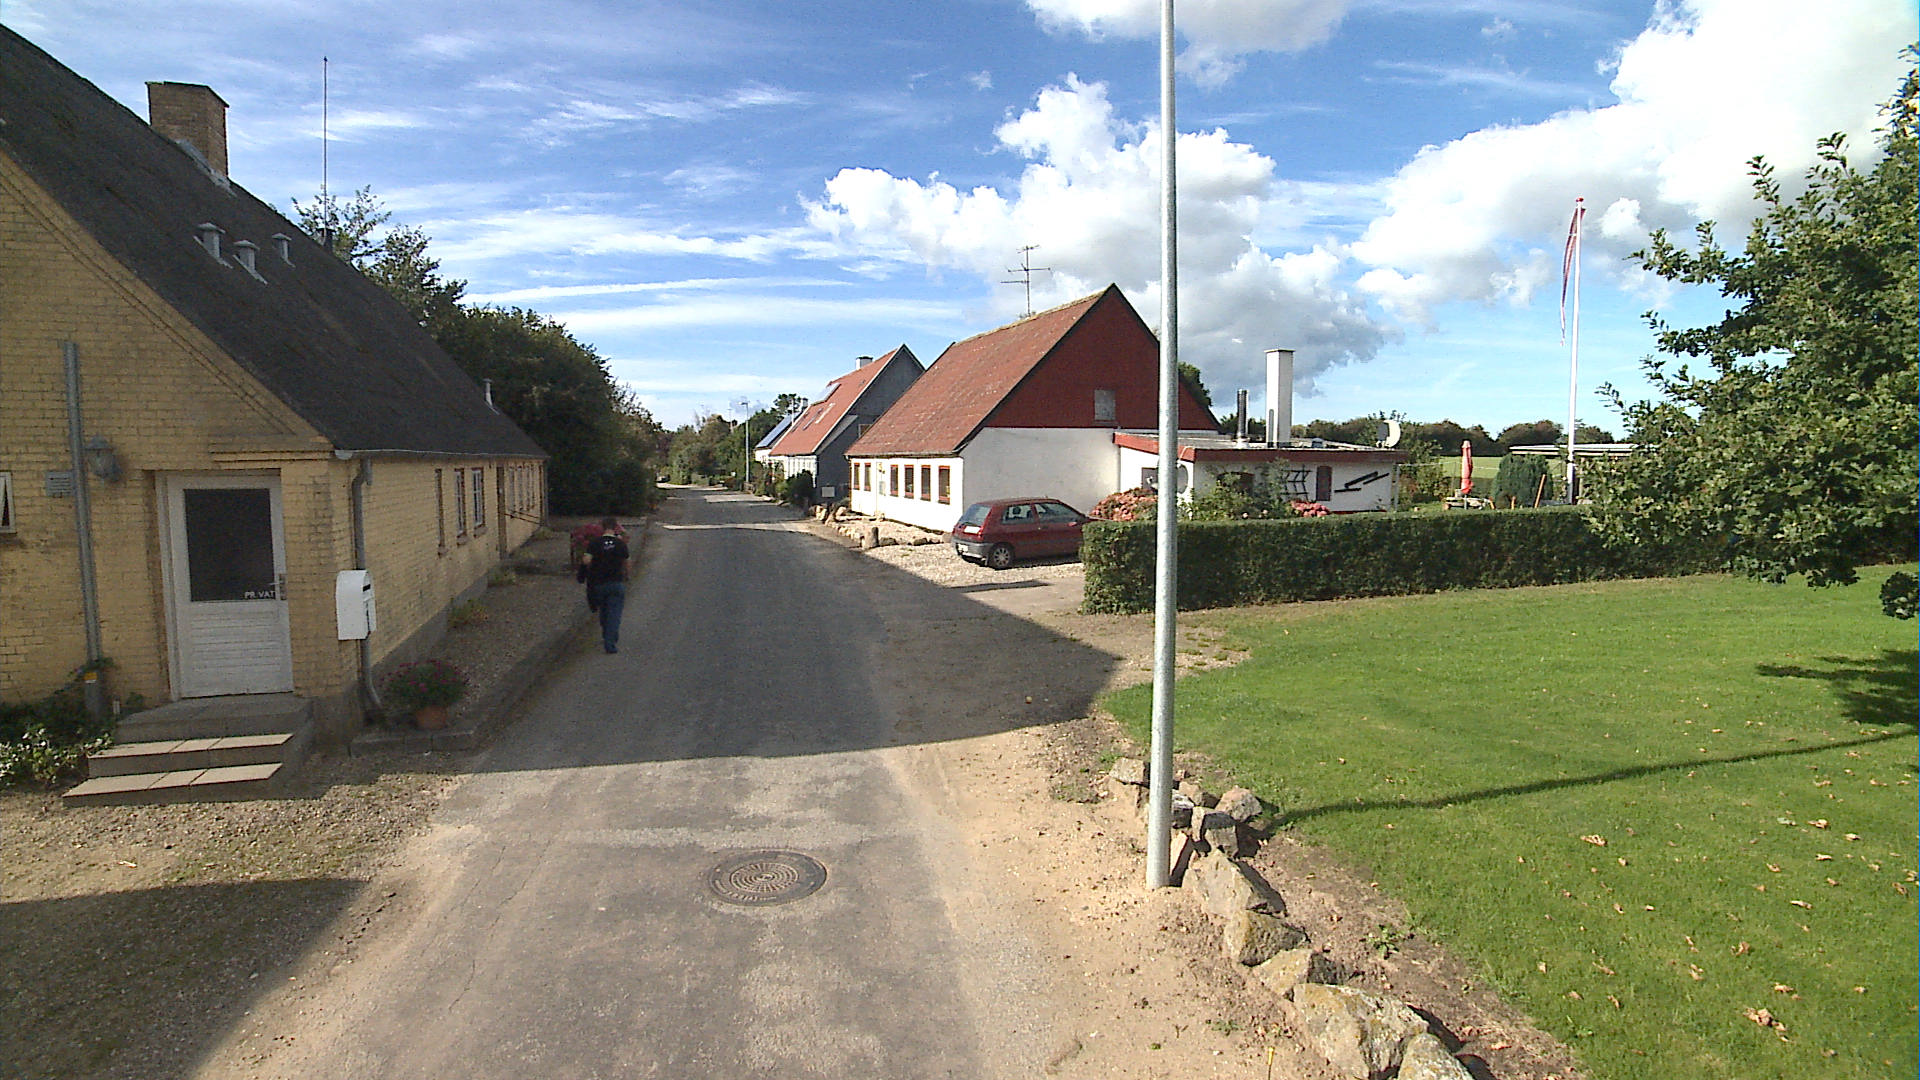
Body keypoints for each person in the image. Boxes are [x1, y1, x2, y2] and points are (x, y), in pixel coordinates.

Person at [577, 517, 629, 653]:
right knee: (614, 613)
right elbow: (626, 562)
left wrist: (582, 575)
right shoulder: (620, 544)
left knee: (604, 611)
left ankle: (606, 633)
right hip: (616, 583)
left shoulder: (594, 543)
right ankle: (610, 642)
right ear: (615, 528)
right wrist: (626, 576)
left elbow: (586, 560)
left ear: (602, 527)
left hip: (599, 584)